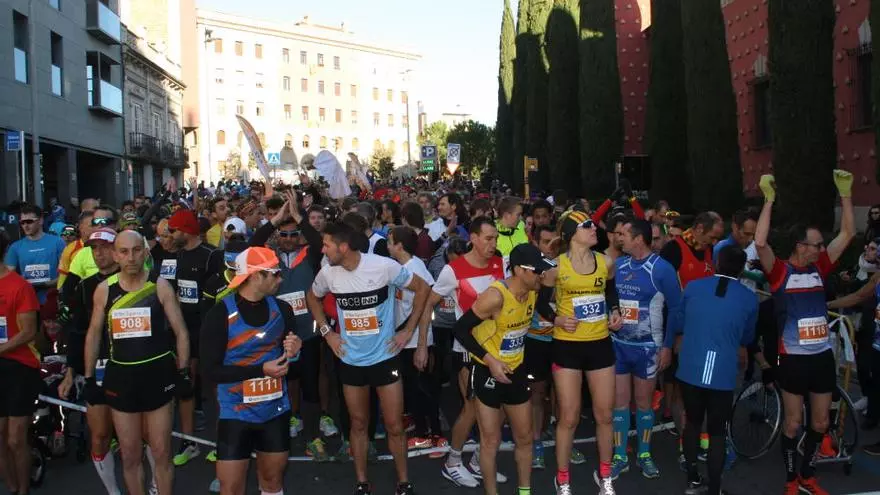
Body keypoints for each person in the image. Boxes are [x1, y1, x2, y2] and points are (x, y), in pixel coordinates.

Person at [306, 222, 431, 495]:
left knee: (395, 425)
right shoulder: (328, 273)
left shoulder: (383, 266)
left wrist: (407, 331)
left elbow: (423, 289)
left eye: (327, 245)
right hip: (350, 359)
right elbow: (312, 298)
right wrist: (328, 333)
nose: (323, 250)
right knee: (358, 423)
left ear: (343, 246)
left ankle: (403, 483)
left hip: (385, 357)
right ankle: (362, 483)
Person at [753, 171, 855, 495]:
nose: (822, 248)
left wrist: (846, 194)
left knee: (821, 424)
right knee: (794, 423)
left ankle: (808, 474)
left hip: (821, 357)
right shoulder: (781, 271)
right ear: (801, 246)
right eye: (817, 244)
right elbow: (759, 242)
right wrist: (768, 201)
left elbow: (849, 232)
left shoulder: (819, 268)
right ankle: (790, 480)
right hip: (792, 359)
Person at [83, 230, 192, 495]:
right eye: (123, 251)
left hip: (158, 377)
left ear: (145, 252)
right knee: (130, 455)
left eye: (136, 250)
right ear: (115, 255)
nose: (130, 257)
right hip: (122, 379)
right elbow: (94, 335)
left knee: (161, 451)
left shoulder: (160, 285)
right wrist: (88, 379)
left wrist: (184, 372)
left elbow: (181, 331)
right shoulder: (104, 290)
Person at [455, 244, 557, 495]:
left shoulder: (533, 289)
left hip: (516, 370)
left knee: (524, 438)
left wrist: (557, 320)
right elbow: (460, 329)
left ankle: (524, 492)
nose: (542, 276)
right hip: (487, 372)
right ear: (520, 271)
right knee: (490, 441)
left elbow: (545, 299)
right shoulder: (496, 296)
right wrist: (490, 360)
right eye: (537, 272)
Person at [200, 247, 302, 495]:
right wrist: (260, 370)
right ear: (256, 276)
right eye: (275, 274)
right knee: (231, 488)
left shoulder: (282, 309)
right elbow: (210, 371)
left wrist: (295, 352)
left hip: (274, 410)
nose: (281, 279)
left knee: (272, 481)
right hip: (235, 413)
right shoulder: (219, 314)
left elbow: (292, 366)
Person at [662, 245, 758, 495]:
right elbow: (748, 335)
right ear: (741, 270)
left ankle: (692, 477)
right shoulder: (749, 298)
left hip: (691, 366)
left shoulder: (694, 287)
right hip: (722, 371)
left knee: (692, 422)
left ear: (716, 263)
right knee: (717, 432)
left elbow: (678, 319)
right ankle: (715, 488)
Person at [249, 192, 337, 458]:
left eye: (293, 234)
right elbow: (253, 244)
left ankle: (313, 436)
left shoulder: (310, 255)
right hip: (278, 334)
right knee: (282, 382)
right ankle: (289, 420)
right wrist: (274, 221)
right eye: (283, 235)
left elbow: (318, 239)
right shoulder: (269, 256)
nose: (288, 240)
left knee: (311, 383)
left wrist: (299, 216)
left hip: (308, 333)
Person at [540, 210, 622, 495]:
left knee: (604, 415)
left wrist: (614, 310)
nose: (594, 229)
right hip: (567, 347)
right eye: (587, 225)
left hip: (600, 344)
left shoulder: (606, 262)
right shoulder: (556, 267)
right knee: (570, 417)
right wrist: (556, 319)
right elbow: (541, 303)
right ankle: (562, 479)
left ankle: (606, 476)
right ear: (572, 233)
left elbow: (611, 291)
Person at [425, 217, 507, 488]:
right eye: (487, 238)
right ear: (472, 238)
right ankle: (452, 461)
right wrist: (422, 343)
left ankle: (478, 462)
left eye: (495, 238)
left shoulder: (500, 263)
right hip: (467, 351)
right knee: (471, 408)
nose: (493, 244)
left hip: (499, 349)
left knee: (500, 407)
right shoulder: (453, 270)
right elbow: (429, 303)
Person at [614, 219, 682, 480]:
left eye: (625, 235)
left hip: (647, 348)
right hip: (619, 345)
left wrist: (667, 346)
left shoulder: (661, 269)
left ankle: (644, 453)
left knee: (643, 405)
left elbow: (676, 308)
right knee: (619, 405)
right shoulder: (619, 265)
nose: (620, 239)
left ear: (638, 239)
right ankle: (620, 455)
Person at [58, 228, 123, 494]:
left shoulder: (142, 281)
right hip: (97, 368)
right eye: (94, 249)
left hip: (135, 367)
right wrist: (71, 372)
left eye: (105, 247)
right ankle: (113, 490)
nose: (99, 254)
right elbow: (78, 333)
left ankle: (152, 486)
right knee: (99, 437)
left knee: (143, 439)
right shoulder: (84, 287)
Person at [162, 208, 225, 466]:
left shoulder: (212, 256)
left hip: (208, 332)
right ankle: (188, 442)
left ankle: (224, 442)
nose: (170, 235)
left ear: (186, 231)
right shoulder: (174, 258)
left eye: (173, 230)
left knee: (216, 387)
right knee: (185, 386)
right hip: (183, 332)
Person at [387, 226, 443, 450]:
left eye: (390, 241)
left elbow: (427, 306)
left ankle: (431, 434)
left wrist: (422, 345)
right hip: (406, 339)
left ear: (400, 245)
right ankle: (420, 427)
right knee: (413, 388)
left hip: (418, 339)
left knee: (423, 390)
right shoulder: (405, 266)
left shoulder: (415, 268)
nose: (387, 246)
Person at [0, 228, 42, 495]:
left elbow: (28, 331)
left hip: (20, 368)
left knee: (16, 438)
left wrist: (2, 347)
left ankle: (23, 490)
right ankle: (12, 486)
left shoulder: (20, 286)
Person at [4, 204, 67, 304]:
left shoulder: (58, 242)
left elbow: (67, 272)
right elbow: (8, 276)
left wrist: (47, 284)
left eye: (29, 221)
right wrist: (24, 284)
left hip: (52, 300)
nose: (25, 225)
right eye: (22, 222)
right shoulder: (15, 247)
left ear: (41, 221)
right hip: (26, 301)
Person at [57, 210, 95, 289]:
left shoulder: (106, 246)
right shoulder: (70, 249)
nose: (97, 228)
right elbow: (63, 276)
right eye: (92, 225)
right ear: (80, 227)